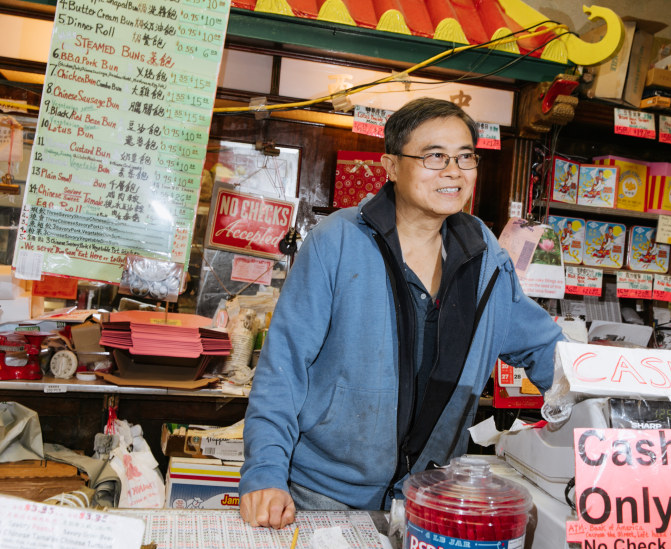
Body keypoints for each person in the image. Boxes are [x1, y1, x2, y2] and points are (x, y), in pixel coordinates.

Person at [239, 97, 564, 529]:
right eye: (434, 156)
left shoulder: (484, 256)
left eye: (465, 157)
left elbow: (547, 350)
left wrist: (606, 409)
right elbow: (283, 367)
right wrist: (264, 473)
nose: (453, 171)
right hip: (322, 496)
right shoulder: (336, 241)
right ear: (391, 166)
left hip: (427, 499)